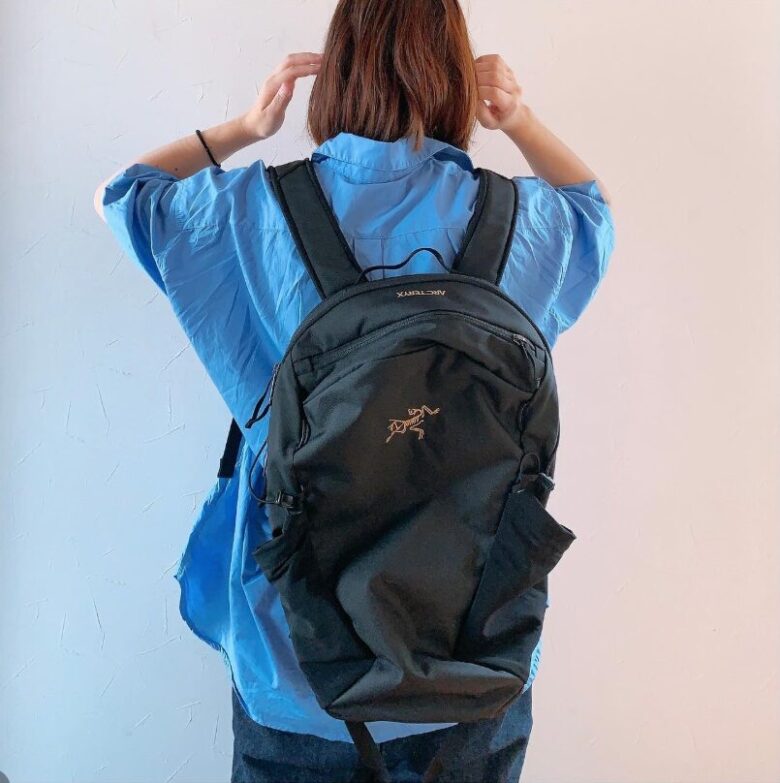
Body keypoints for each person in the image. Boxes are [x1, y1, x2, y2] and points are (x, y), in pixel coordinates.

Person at [94, 1, 615, 780]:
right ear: (455, 73)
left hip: (296, 660)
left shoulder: (248, 211)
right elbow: (592, 212)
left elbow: (126, 193)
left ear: (337, 68)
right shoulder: (519, 219)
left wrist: (246, 127)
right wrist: (519, 120)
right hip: (474, 658)